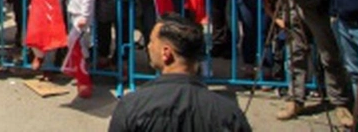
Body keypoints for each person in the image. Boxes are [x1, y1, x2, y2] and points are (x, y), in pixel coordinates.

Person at [108, 13, 252, 132]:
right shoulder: (228, 114)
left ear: (166, 53)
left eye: (152, 41)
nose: (148, 46)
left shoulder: (132, 106)